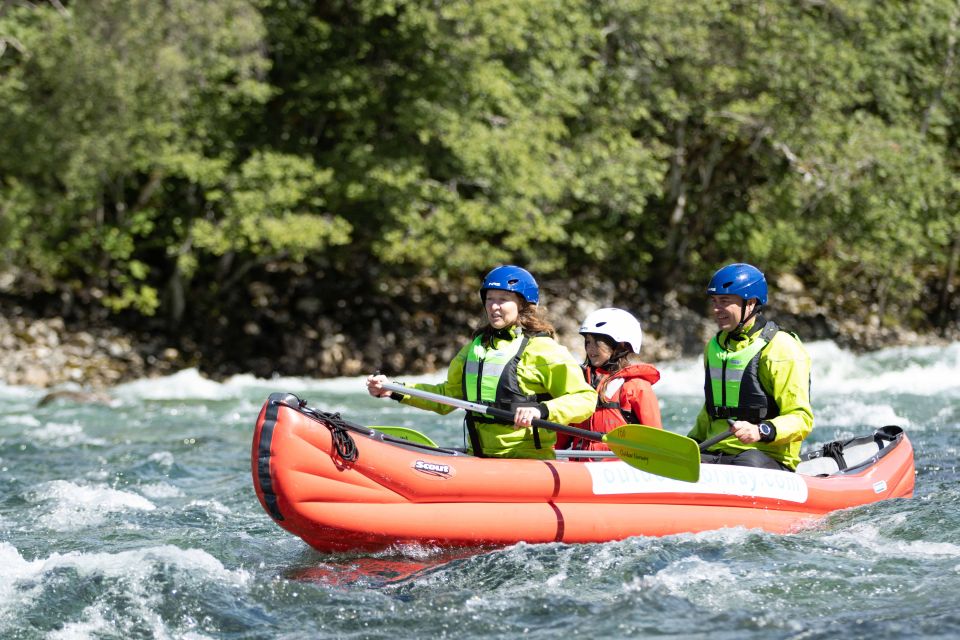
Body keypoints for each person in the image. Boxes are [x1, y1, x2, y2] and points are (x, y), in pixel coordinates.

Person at [366, 265, 597, 459]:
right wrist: (393, 390)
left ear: (523, 305)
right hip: (478, 456)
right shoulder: (475, 348)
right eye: (490, 299)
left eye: (503, 300)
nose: (494, 307)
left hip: (525, 460)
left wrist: (542, 410)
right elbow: (446, 396)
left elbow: (584, 399)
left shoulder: (542, 349)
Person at [688, 263, 814, 471]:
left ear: (751, 303)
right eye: (714, 302)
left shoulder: (782, 348)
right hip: (717, 453)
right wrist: (690, 444)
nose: (716, 310)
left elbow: (801, 419)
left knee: (747, 461)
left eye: (725, 302)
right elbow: (710, 410)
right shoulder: (714, 346)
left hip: (765, 457)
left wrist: (761, 430)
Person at [556, 308, 662, 454]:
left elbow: (655, 439)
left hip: (618, 468)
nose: (590, 349)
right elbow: (560, 436)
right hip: (580, 466)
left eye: (597, 343)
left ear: (621, 345)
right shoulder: (580, 382)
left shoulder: (636, 386)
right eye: (587, 342)